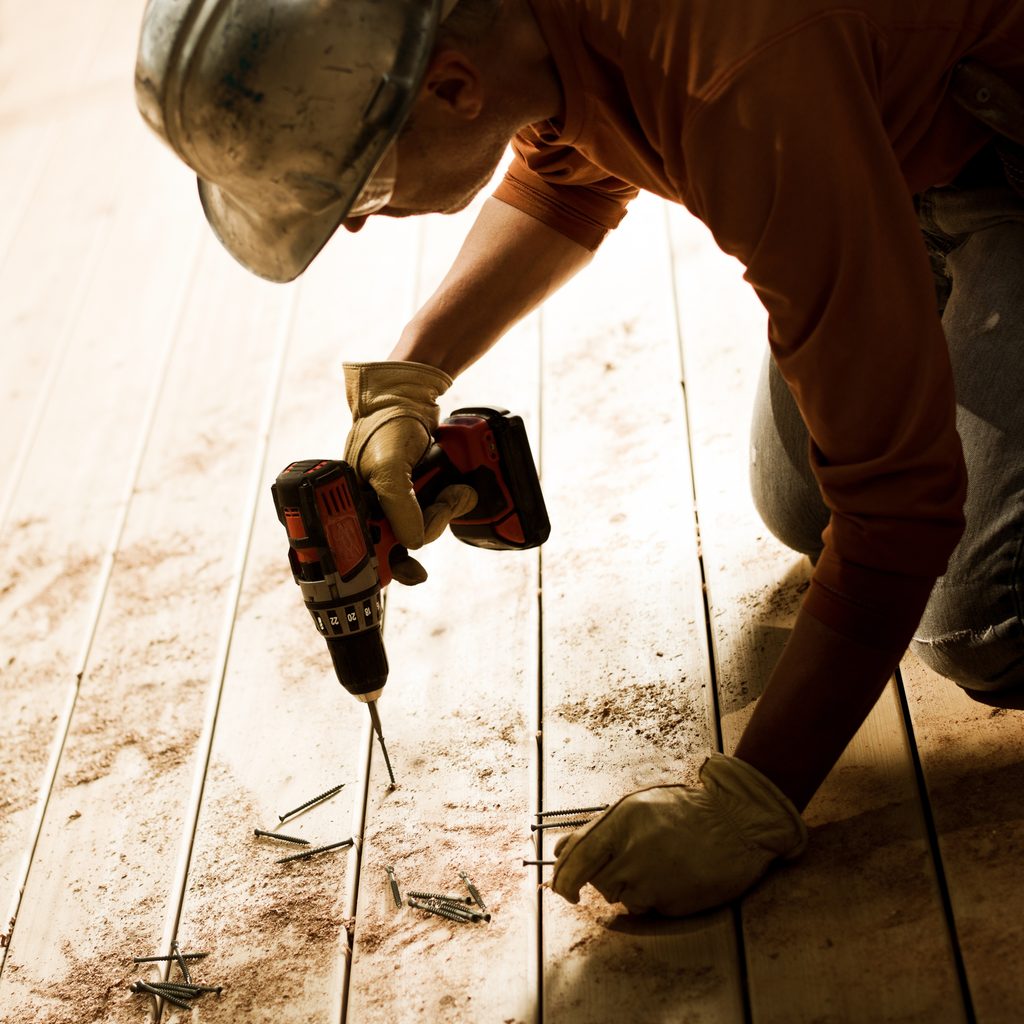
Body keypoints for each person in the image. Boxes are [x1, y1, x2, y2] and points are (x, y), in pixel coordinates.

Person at [135, 0, 1024, 916]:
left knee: (983, 620)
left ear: (452, 87)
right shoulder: (531, 28)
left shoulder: (744, 82)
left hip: (1002, 149)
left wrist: (753, 797)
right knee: (799, 502)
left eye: (357, 188)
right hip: (897, 139)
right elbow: (570, 179)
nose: (356, 225)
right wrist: (409, 379)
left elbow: (900, 504)